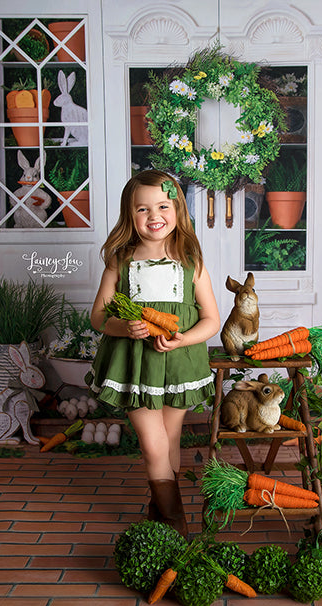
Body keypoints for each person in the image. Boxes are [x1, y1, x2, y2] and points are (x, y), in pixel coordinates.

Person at [87, 170, 220, 537]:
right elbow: (98, 316)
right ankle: (177, 524)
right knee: (151, 444)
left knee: (170, 440)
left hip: (178, 363)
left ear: (177, 209)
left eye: (162, 206)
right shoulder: (121, 260)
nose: (154, 215)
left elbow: (211, 319)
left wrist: (184, 339)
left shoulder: (191, 260)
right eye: (142, 209)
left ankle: (159, 514)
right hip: (136, 365)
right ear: (130, 215)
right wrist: (122, 326)